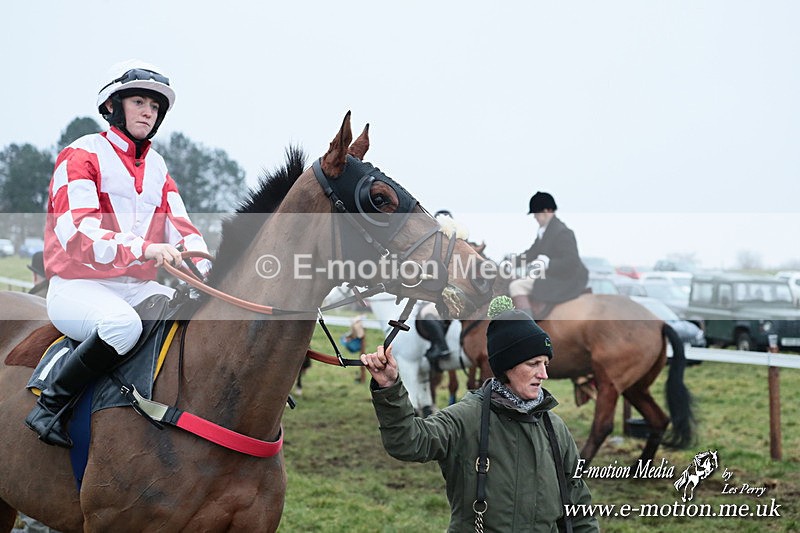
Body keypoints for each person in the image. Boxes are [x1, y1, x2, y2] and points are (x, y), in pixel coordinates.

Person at [25, 59, 212, 448]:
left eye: (155, 106)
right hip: (77, 287)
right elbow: (77, 233)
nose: (148, 111)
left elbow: (184, 228)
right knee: (122, 326)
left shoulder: (159, 167)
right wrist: (145, 248)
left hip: (134, 288)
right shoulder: (81, 154)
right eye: (140, 101)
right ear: (114, 107)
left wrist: (209, 272)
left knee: (191, 318)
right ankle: (50, 406)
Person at [361, 297, 598, 532]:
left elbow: (578, 504)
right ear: (508, 366)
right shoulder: (466, 417)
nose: (543, 374)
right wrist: (389, 389)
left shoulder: (555, 428)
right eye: (533, 363)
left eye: (545, 363)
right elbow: (408, 442)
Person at [509, 191, 588, 319]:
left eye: (536, 213)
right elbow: (531, 253)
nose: (534, 217)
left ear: (547, 211)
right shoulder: (545, 231)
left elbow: (572, 261)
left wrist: (548, 263)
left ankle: (527, 329)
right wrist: (510, 263)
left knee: (516, 286)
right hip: (553, 276)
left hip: (565, 279)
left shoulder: (563, 232)